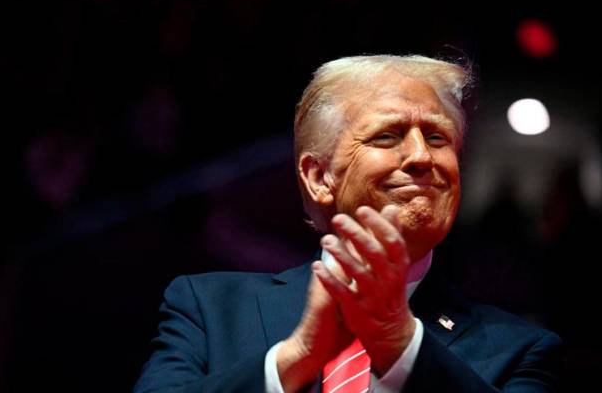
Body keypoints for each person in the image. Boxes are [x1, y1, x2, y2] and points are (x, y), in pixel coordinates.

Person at [134, 55, 563, 392]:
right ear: (320, 178)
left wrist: (401, 345)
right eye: (387, 136)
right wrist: (296, 359)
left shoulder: (521, 349)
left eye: (437, 138)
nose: (421, 156)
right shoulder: (209, 309)